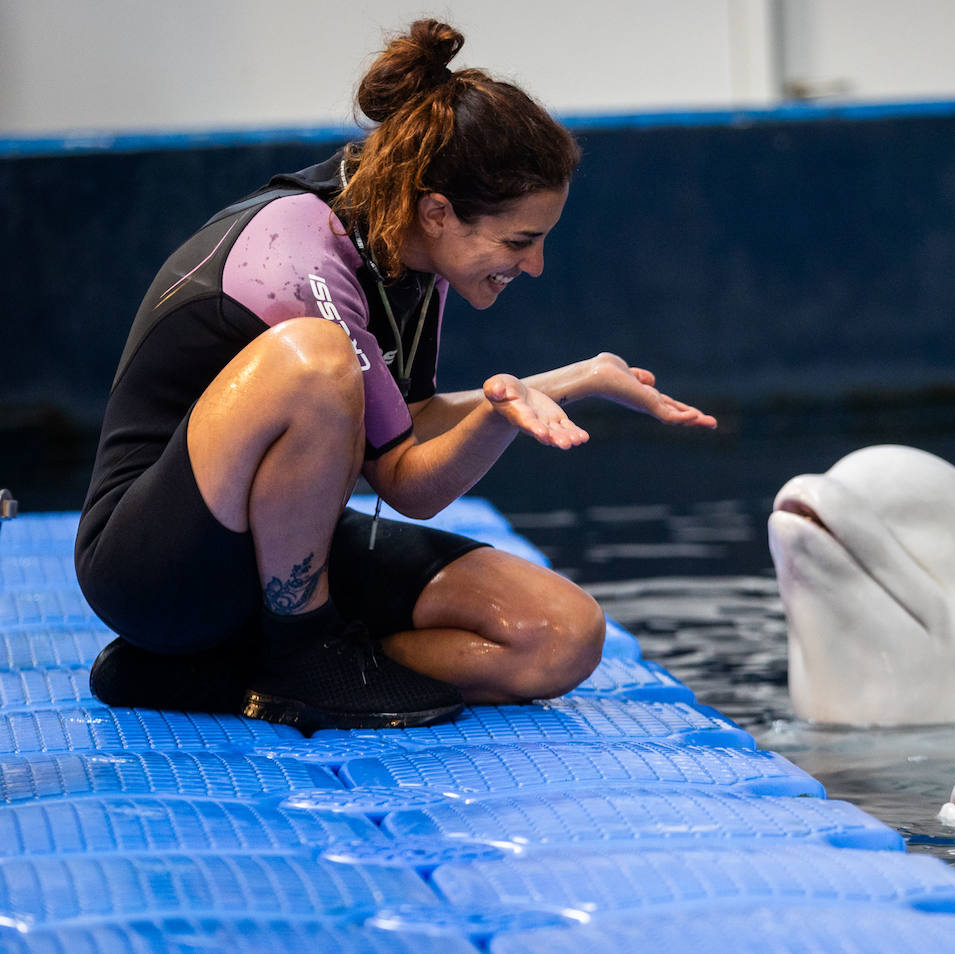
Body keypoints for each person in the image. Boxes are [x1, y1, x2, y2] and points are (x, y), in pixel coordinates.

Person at [73, 19, 716, 731]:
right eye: (519, 241)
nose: (533, 266)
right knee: (312, 361)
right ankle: (302, 654)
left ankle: (215, 673)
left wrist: (575, 379)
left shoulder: (411, 247)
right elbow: (408, 481)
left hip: (274, 545)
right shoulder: (297, 253)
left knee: (559, 636)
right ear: (438, 212)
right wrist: (499, 414)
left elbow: (400, 430)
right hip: (158, 572)